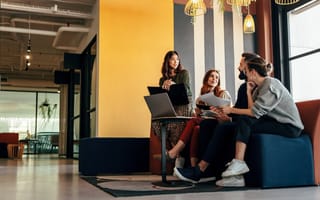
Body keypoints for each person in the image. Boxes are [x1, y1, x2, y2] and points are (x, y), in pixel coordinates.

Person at [172, 52, 262, 184]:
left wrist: (229, 118)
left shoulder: (258, 87)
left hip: (249, 123)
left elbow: (253, 112)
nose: (238, 68)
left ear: (249, 67)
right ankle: (208, 171)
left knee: (222, 127)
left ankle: (200, 169)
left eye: (241, 65)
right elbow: (237, 111)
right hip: (240, 121)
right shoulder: (243, 87)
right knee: (206, 124)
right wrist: (223, 114)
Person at [157, 69, 232, 170]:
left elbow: (228, 112)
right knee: (196, 128)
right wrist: (197, 113)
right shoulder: (200, 98)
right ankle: (193, 166)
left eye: (216, 77)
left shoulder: (223, 93)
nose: (214, 79)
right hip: (205, 122)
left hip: (219, 122)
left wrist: (215, 111)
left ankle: (174, 152)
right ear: (206, 79)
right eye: (211, 76)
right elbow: (199, 116)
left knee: (193, 121)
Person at [151, 50, 193, 168]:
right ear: (167, 61)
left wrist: (174, 84)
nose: (176, 62)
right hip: (170, 104)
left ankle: (176, 156)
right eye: (173, 59)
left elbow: (187, 91)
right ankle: (170, 152)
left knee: (175, 123)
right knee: (157, 120)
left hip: (184, 104)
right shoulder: (162, 79)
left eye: (177, 59)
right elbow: (161, 96)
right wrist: (165, 87)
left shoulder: (184, 73)